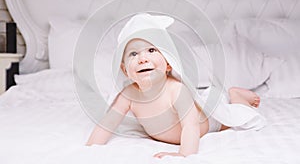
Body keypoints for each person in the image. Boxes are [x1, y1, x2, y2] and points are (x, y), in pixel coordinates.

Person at [86, 13, 264, 158]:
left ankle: (237, 97)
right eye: (133, 54)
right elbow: (107, 124)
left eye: (152, 50)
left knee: (234, 116)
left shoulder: (176, 91)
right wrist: (89, 148)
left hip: (210, 120)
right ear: (125, 70)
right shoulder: (127, 95)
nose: (143, 58)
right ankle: (228, 95)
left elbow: (191, 126)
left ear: (169, 63)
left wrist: (184, 154)